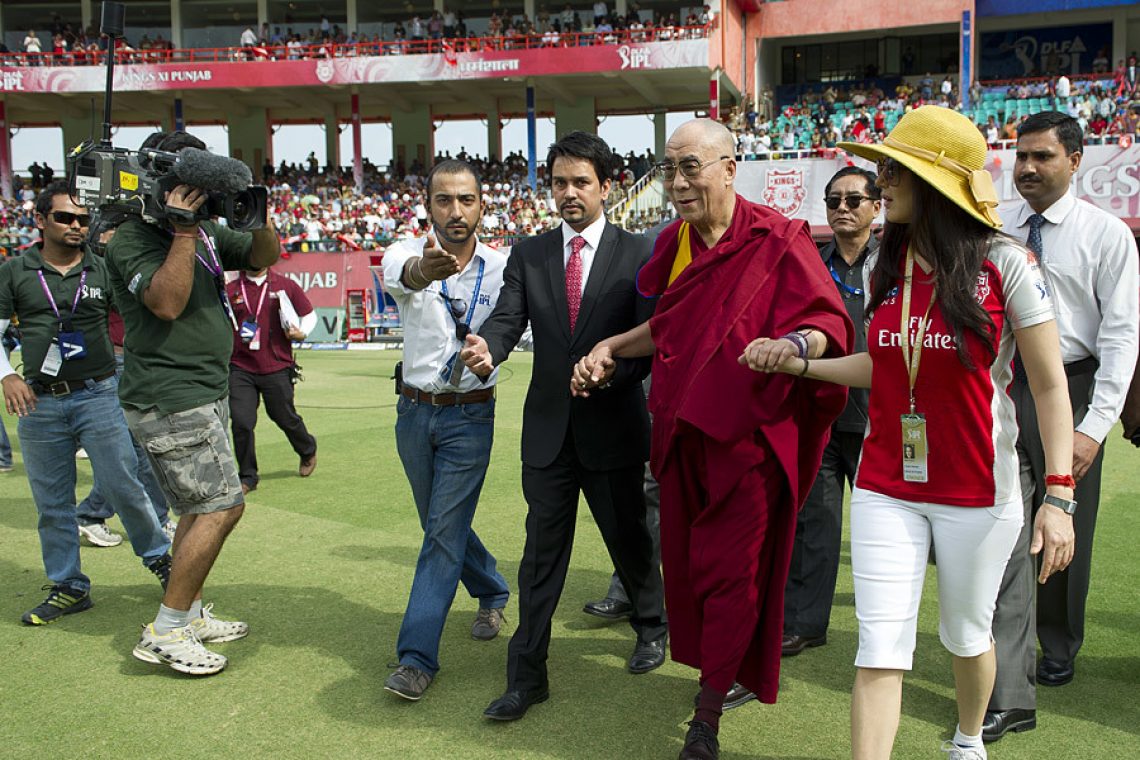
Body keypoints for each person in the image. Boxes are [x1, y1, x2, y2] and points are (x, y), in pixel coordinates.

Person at [749, 105, 1077, 760]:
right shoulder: (886, 265)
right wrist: (802, 364)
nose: (881, 183)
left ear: (936, 181)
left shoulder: (1008, 264)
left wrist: (1060, 496)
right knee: (879, 646)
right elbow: (884, 364)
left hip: (979, 492)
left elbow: (1048, 386)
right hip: (884, 484)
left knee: (966, 636)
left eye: (894, 171)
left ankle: (967, 740)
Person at [571, 118, 853, 760]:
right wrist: (612, 345)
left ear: (729, 169)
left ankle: (708, 714)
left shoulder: (777, 238)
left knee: (733, 574)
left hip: (749, 444)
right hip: (680, 436)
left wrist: (793, 344)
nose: (677, 182)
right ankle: (720, 670)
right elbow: (668, 327)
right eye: (669, 169)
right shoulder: (672, 244)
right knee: (693, 570)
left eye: (690, 167)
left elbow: (827, 323)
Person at [461, 131, 667, 722]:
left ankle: (651, 624)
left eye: (580, 182)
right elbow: (508, 318)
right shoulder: (530, 254)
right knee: (540, 557)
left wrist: (612, 372)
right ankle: (526, 676)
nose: (569, 193)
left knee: (630, 540)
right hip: (549, 434)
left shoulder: (639, 253)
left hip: (615, 428)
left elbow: (649, 344)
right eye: (559, 183)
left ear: (607, 186)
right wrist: (489, 348)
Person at [983, 111, 1139, 742]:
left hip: (1072, 388)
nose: (1026, 168)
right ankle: (1006, 662)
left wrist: (1093, 427)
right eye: (1021, 156)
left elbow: (1121, 336)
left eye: (1042, 157)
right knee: (1002, 525)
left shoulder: (1107, 235)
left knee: (1063, 523)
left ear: (1075, 161)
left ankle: (1058, 642)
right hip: (1003, 383)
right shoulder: (995, 229)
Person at [105, 131, 280, 676]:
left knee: (196, 509)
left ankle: (190, 613)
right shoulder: (132, 237)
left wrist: (255, 211)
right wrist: (183, 230)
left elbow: (262, 257)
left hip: (201, 392)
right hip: (171, 396)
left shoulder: (204, 231)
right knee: (223, 506)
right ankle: (167, 629)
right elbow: (167, 302)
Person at [0, 182, 173, 625]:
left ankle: (162, 561)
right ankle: (69, 586)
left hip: (99, 392)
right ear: (40, 220)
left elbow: (140, 319)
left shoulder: (103, 266)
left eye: (82, 218)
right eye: (65, 218)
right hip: (39, 401)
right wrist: (7, 375)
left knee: (123, 485)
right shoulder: (15, 270)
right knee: (52, 504)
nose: (76, 225)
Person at [379, 159, 511, 702]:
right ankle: (492, 588)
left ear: (482, 205)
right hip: (413, 413)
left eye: (466, 200)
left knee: (440, 532)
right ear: (427, 205)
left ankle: (416, 658)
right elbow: (406, 276)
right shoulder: (403, 252)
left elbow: (512, 325)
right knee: (439, 524)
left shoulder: (504, 268)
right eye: (444, 200)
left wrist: (491, 354)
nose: (456, 211)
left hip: (471, 416)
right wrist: (426, 271)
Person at [783, 167, 881, 660]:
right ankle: (804, 624)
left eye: (853, 200)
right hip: (821, 413)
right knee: (813, 524)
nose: (842, 208)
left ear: (876, 207)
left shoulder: (897, 263)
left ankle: (883, 628)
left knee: (881, 529)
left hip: (880, 418)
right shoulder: (810, 264)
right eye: (833, 200)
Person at [226, 264, 318, 495]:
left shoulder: (285, 285)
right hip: (240, 367)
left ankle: (307, 449)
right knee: (241, 422)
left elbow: (309, 314)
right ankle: (248, 476)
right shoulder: (231, 289)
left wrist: (302, 332)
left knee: (283, 416)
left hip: (276, 365)